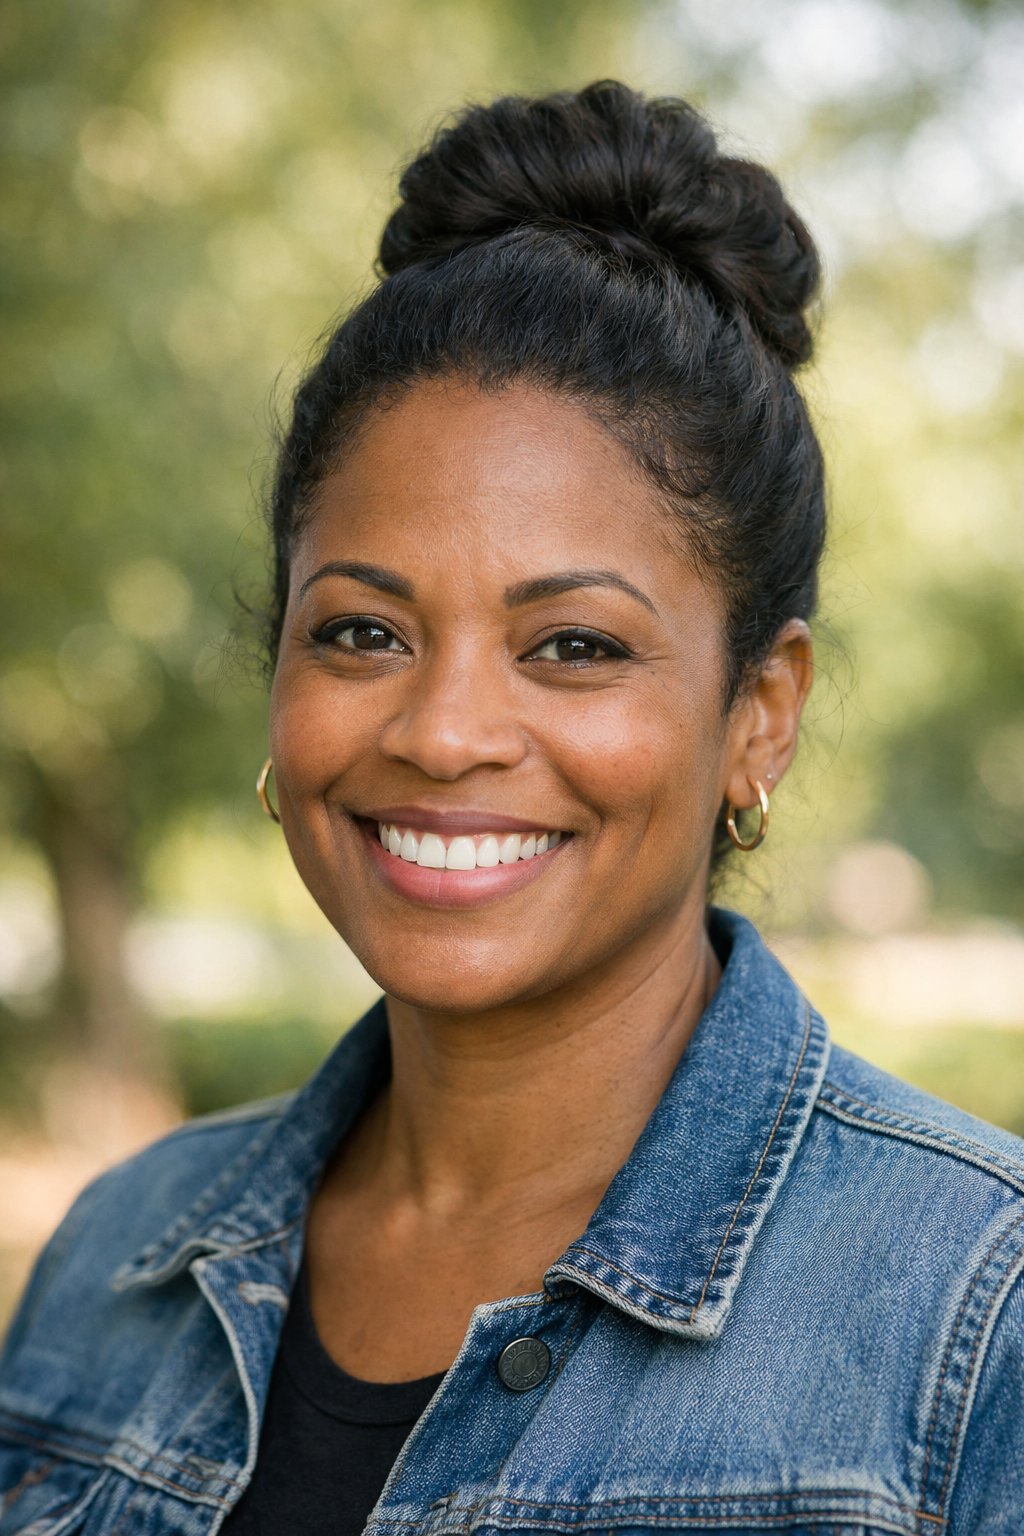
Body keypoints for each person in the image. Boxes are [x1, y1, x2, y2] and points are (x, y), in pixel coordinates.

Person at [1, 79, 1021, 1536]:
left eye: (575, 647)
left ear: (759, 716)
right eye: (361, 631)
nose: (444, 732)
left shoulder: (974, 1321)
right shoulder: (115, 1265)